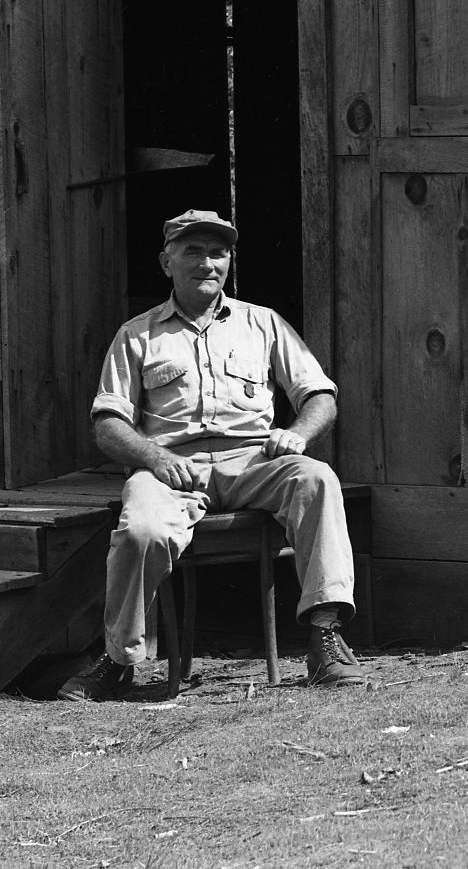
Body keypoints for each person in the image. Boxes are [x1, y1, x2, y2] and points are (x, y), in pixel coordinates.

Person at [74, 208, 367, 696]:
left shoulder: (264, 324)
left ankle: (325, 639)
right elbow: (107, 423)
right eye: (193, 252)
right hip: (172, 470)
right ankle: (118, 660)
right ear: (166, 262)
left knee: (316, 479)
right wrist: (155, 459)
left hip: (254, 463)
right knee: (142, 530)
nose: (207, 263)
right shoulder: (137, 335)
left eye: (218, 252)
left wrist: (296, 434)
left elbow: (319, 395)